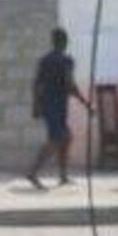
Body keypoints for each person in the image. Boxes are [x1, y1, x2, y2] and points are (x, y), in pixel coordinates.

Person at [26, 27, 91, 189]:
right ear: (65, 42)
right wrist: (85, 103)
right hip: (57, 105)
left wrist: (36, 105)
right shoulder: (66, 60)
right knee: (56, 139)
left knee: (65, 139)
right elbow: (70, 84)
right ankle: (33, 172)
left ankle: (62, 176)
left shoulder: (44, 60)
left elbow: (36, 85)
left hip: (49, 105)